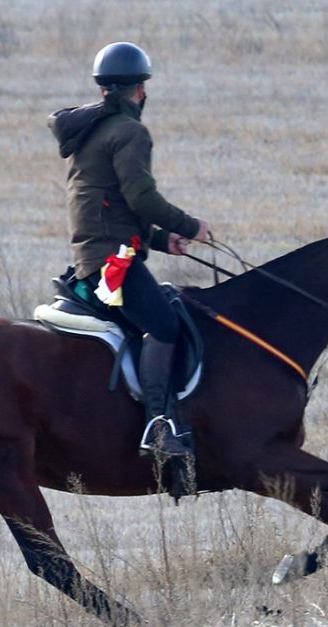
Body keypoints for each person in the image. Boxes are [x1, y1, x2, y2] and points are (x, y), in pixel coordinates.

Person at [48, 42, 211, 459]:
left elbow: (111, 206)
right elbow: (141, 199)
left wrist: (160, 240)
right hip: (110, 261)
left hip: (99, 252)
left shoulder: (92, 131)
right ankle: (159, 425)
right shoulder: (130, 132)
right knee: (164, 325)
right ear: (140, 90)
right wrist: (190, 226)